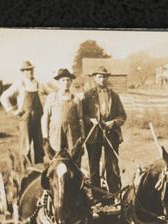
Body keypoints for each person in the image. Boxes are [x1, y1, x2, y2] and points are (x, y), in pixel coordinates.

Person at [82, 66, 127, 200]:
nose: (102, 79)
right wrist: (90, 120)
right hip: (94, 133)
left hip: (111, 134)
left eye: (104, 77)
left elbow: (122, 116)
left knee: (112, 165)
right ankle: (97, 196)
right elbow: (82, 115)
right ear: (95, 78)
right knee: (94, 166)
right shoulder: (88, 95)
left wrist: (113, 123)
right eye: (99, 77)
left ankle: (114, 195)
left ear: (107, 78)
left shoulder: (114, 96)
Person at [0, 60, 51, 168]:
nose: (30, 72)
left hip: (38, 120)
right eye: (27, 70)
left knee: (39, 146)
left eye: (31, 69)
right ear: (23, 72)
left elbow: (52, 94)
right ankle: (26, 172)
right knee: (25, 147)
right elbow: (4, 97)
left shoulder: (39, 83)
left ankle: (39, 171)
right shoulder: (20, 84)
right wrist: (12, 110)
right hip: (25, 120)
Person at [41, 68, 85, 166]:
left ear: (71, 82)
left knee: (74, 162)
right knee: (56, 162)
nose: (66, 83)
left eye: (68, 80)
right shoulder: (52, 98)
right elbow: (45, 117)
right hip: (56, 135)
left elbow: (80, 119)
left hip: (72, 135)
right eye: (63, 80)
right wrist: (45, 135)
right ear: (58, 82)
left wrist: (82, 136)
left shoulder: (76, 100)